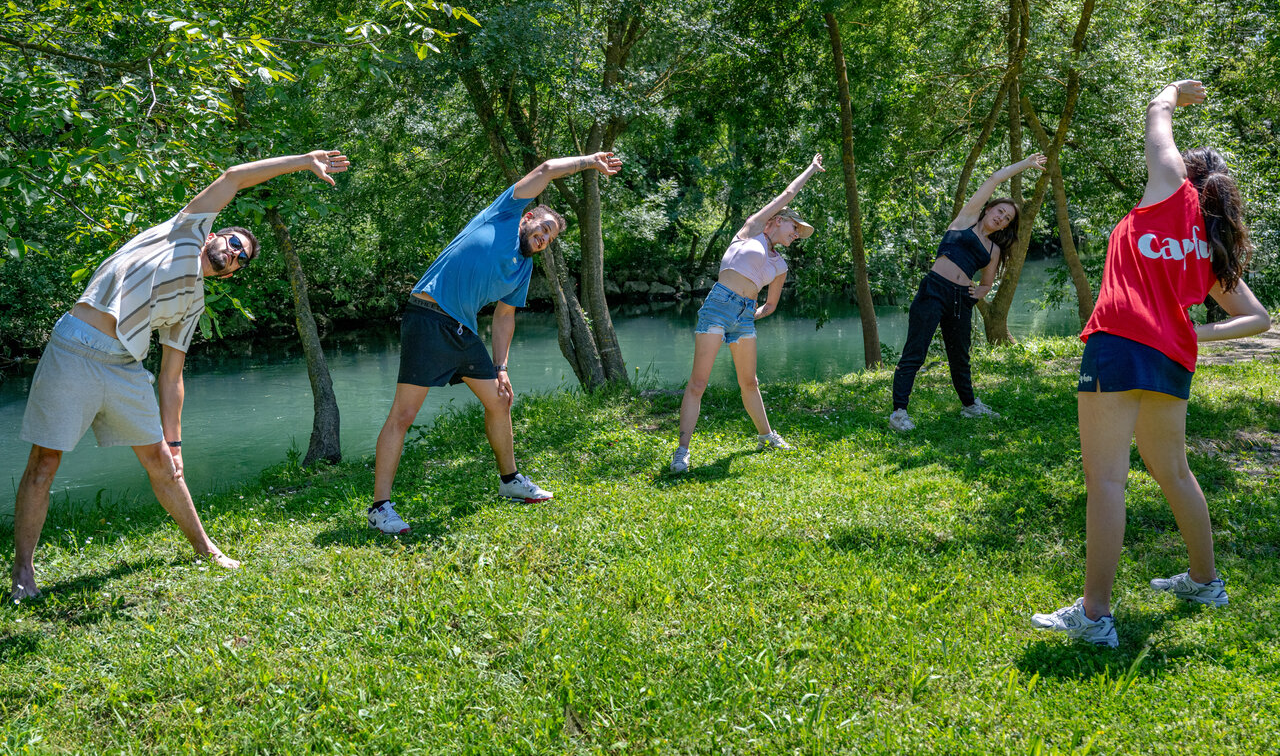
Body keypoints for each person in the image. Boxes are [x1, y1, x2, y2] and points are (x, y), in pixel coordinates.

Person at [9, 149, 350, 601]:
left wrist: (175, 443)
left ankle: (205, 549)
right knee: (44, 465)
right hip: (75, 349)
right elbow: (233, 176)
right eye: (232, 242)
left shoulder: (193, 303)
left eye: (239, 257)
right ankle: (22, 573)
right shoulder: (185, 229)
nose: (231, 253)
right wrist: (304, 161)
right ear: (217, 233)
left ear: (232, 273)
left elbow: (172, 376)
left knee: (163, 466)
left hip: (124, 365)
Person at [1032, 80, 1270, 648]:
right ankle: (1205, 581)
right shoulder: (1212, 247)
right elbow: (1258, 318)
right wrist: (1197, 332)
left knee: (1107, 479)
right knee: (1175, 472)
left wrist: (1174, 91)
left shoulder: (1169, 190)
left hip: (1118, 344)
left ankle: (1094, 615)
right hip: (1172, 359)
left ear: (1187, 175)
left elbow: (1156, 113)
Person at [368, 152, 622, 534]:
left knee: (500, 399)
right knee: (403, 416)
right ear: (527, 218)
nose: (543, 239)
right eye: (543, 228)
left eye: (550, 238)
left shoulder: (523, 269)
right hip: (427, 316)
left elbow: (505, 317)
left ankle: (510, 481)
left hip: (461, 329)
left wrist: (501, 367)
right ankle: (379, 508)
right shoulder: (502, 215)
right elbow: (548, 170)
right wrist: (591, 162)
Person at [669, 154, 823, 473]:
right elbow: (786, 195)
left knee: (749, 382)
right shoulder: (751, 231)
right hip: (717, 306)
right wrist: (810, 169)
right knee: (698, 383)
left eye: (799, 232)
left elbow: (772, 305)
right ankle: (681, 452)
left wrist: (750, 315)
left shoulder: (780, 265)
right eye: (794, 227)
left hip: (743, 316)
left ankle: (766, 436)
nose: (796, 234)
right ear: (777, 220)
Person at [888, 152, 1047, 432]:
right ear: (988, 208)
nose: (1001, 218)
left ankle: (970, 406)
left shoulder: (993, 250)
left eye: (1007, 219)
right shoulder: (966, 219)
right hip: (934, 291)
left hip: (961, 301)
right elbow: (995, 177)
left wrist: (978, 293)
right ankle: (899, 412)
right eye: (1000, 211)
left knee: (960, 356)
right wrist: (1025, 165)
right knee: (915, 352)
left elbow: (986, 282)